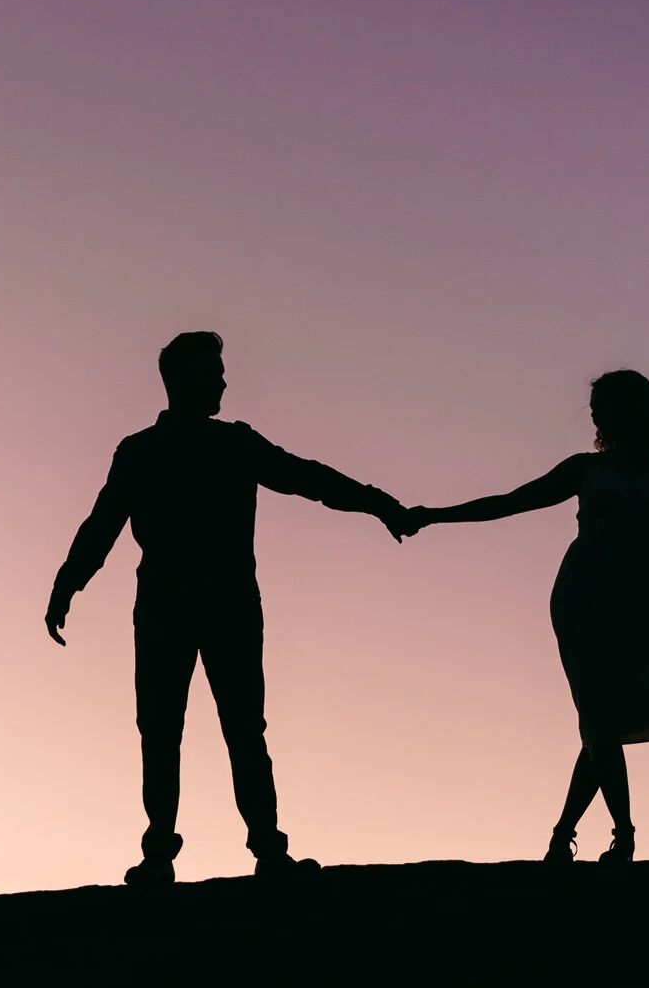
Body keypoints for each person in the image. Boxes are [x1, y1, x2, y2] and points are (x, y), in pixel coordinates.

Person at [45, 331, 410, 884]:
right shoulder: (146, 451)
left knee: (234, 727)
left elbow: (308, 478)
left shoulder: (225, 444)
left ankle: (260, 848)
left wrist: (376, 502)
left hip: (223, 605)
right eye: (212, 370)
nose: (222, 380)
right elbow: (103, 524)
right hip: (179, 606)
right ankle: (170, 854)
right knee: (167, 730)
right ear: (181, 379)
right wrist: (69, 581)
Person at [402, 370, 649, 863]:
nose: (595, 415)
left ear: (633, 409)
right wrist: (433, 514)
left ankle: (563, 835)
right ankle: (623, 835)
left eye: (603, 405)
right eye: (595, 408)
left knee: (604, 716)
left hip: (647, 602)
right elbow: (510, 503)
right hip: (584, 596)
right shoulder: (585, 469)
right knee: (600, 714)